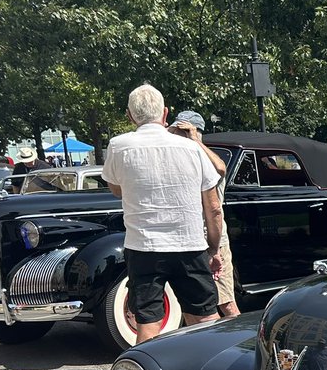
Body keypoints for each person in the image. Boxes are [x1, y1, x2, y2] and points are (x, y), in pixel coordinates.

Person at [102, 84, 223, 344]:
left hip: (144, 247)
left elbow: (116, 189)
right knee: (204, 319)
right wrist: (213, 249)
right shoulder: (192, 148)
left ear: (129, 116)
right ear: (165, 113)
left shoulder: (118, 145)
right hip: (189, 244)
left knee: (148, 322)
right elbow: (213, 208)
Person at [168, 109, 238, 318]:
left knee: (226, 303)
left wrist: (195, 141)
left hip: (214, 241)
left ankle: (243, 344)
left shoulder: (206, 158)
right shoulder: (181, 160)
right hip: (190, 241)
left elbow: (221, 169)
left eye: (184, 131)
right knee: (195, 306)